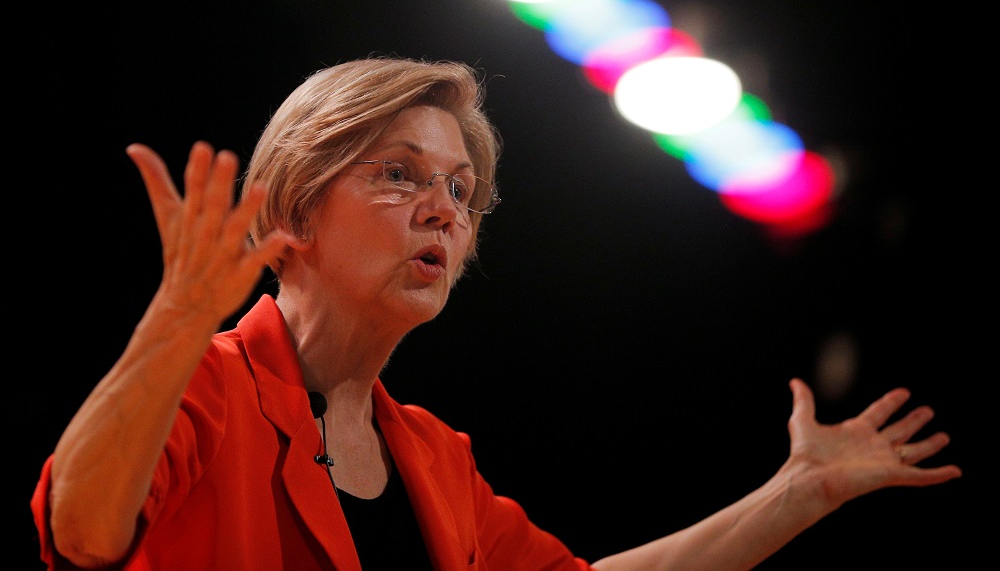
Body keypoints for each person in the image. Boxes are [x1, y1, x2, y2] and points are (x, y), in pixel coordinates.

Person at [31, 56, 961, 570]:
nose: (444, 210)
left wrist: (797, 493)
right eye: (400, 174)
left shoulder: (435, 458)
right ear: (294, 209)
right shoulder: (206, 384)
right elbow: (81, 530)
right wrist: (180, 315)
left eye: (462, 191)